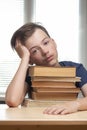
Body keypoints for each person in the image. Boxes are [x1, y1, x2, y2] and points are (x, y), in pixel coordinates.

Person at [5, 22, 87, 115]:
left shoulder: (76, 69)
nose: (45, 51)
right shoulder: (30, 74)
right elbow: (12, 100)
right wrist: (25, 58)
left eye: (46, 43)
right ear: (30, 59)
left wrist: (75, 105)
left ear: (54, 42)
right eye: (35, 51)